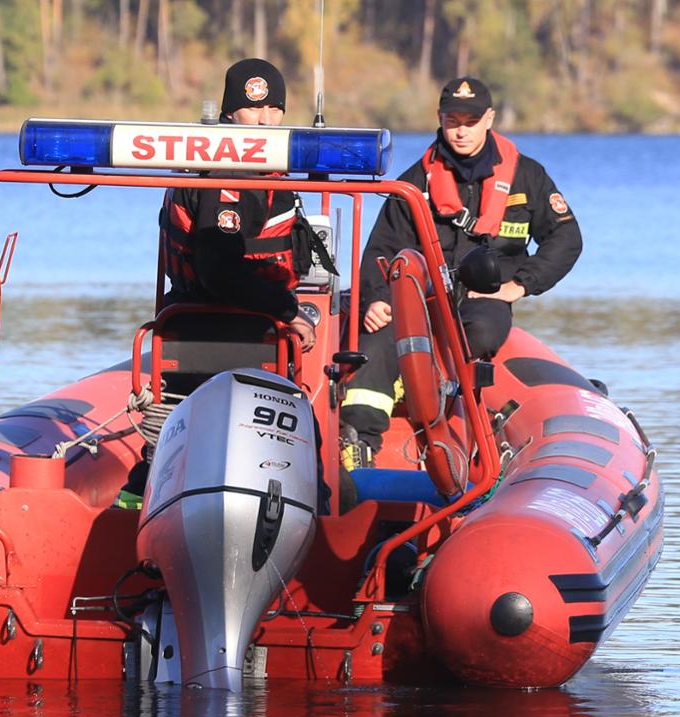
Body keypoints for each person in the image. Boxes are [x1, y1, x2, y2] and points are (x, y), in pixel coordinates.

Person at [338, 76, 582, 469]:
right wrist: (377, 299)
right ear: (440, 118)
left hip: (482, 299)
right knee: (376, 346)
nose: (461, 131)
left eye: (471, 121)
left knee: (481, 333)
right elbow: (381, 250)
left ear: (490, 119)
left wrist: (519, 286)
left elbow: (566, 238)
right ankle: (356, 446)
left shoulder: (527, 176)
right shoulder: (414, 183)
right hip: (418, 300)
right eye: (453, 121)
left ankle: (454, 418)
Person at [157, 57, 316, 350]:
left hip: (234, 316)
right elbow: (219, 273)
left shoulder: (249, 165)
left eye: (274, 108)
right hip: (225, 327)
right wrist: (289, 312)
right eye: (254, 108)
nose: (266, 120)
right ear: (230, 112)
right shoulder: (229, 173)